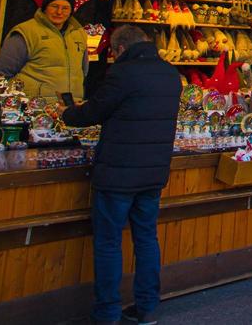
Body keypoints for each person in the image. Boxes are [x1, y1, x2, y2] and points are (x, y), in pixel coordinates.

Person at [60, 25, 181, 325]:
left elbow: (94, 112)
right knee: (146, 238)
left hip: (118, 173)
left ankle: (107, 311)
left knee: (108, 241)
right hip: (153, 172)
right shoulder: (170, 75)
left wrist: (65, 114)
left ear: (120, 49)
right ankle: (147, 307)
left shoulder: (123, 74)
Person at [0, 0, 89, 99]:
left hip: (70, 108)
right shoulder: (26, 32)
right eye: (54, 6)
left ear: (71, 11)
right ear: (45, 7)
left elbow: (83, 71)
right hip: (33, 108)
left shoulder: (79, 34)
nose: (59, 12)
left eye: (65, 8)